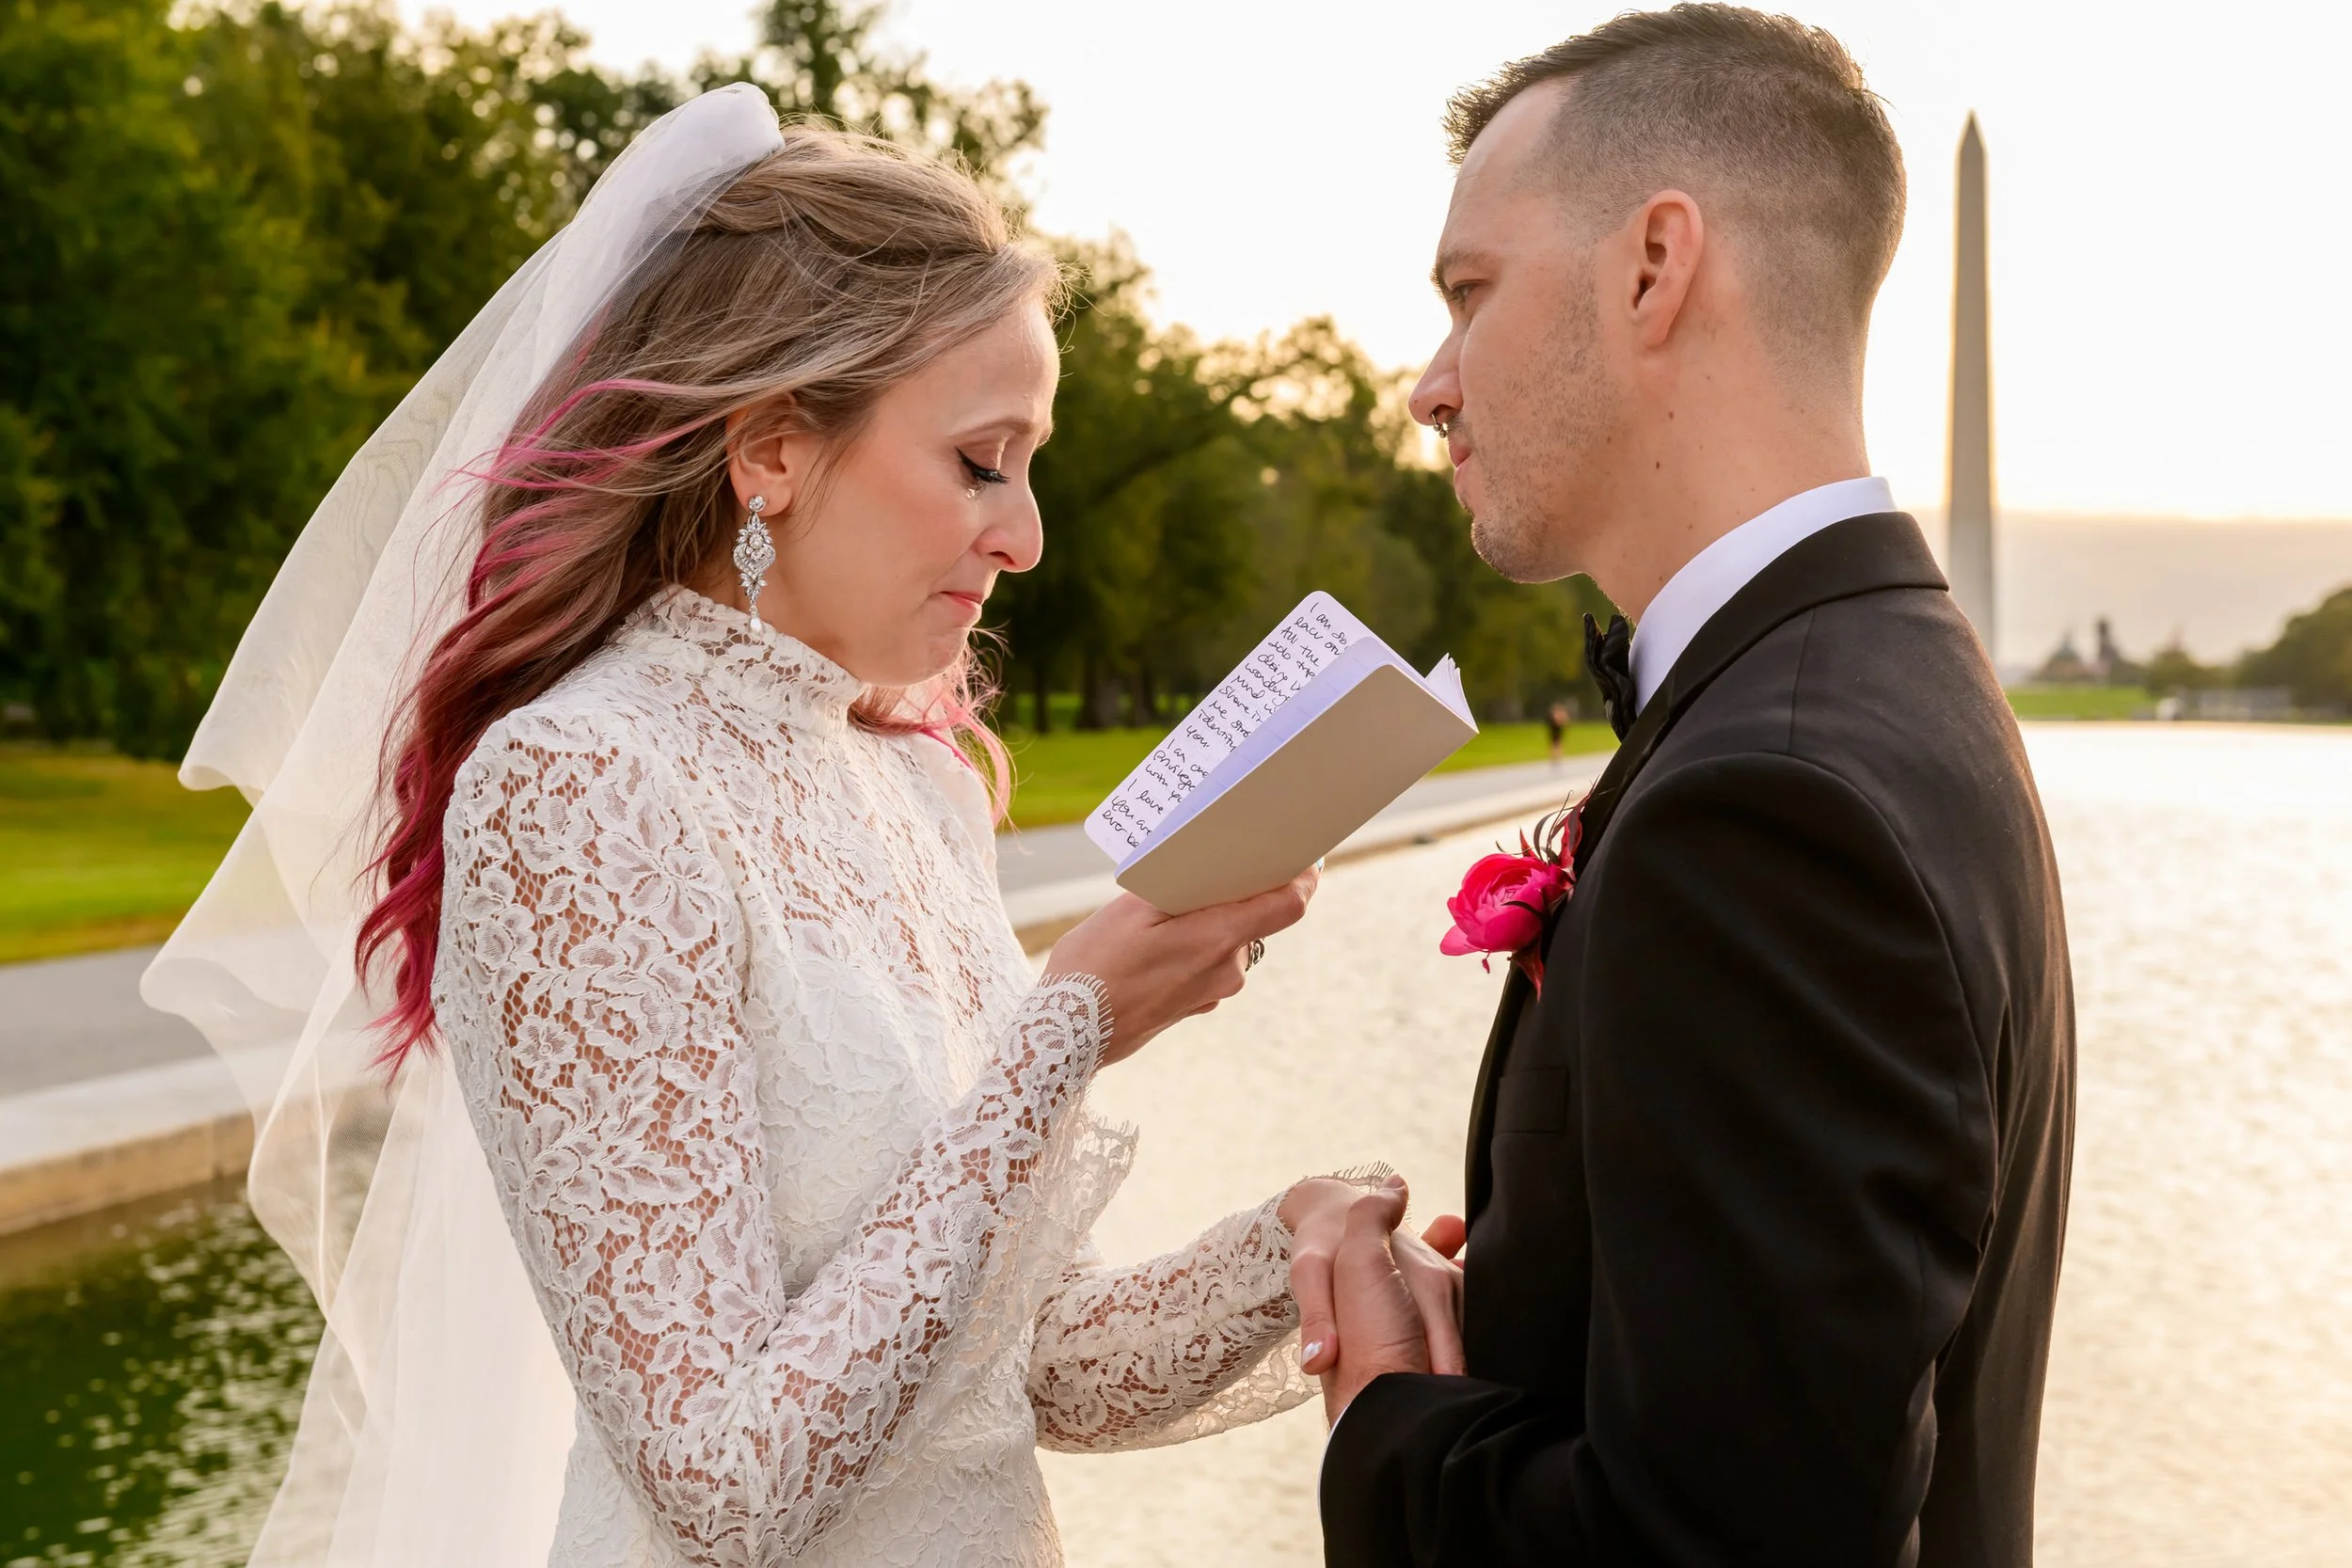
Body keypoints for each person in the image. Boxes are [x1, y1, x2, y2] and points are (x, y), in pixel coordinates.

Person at [144, 87, 1459, 1567]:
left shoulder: (919, 785)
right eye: (982, 459)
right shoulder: (578, 784)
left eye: (1031, 466)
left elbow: (1026, 1366)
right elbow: (722, 1481)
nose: (1025, 535)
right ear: (768, 451)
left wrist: (1300, 1244)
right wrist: (1071, 1024)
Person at [1304, 8, 2075, 1565]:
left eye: (1469, 294)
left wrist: (1391, 1407)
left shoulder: (1772, 802)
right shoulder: (1890, 675)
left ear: (1656, 265)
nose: (1428, 384)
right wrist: (1529, 1326)